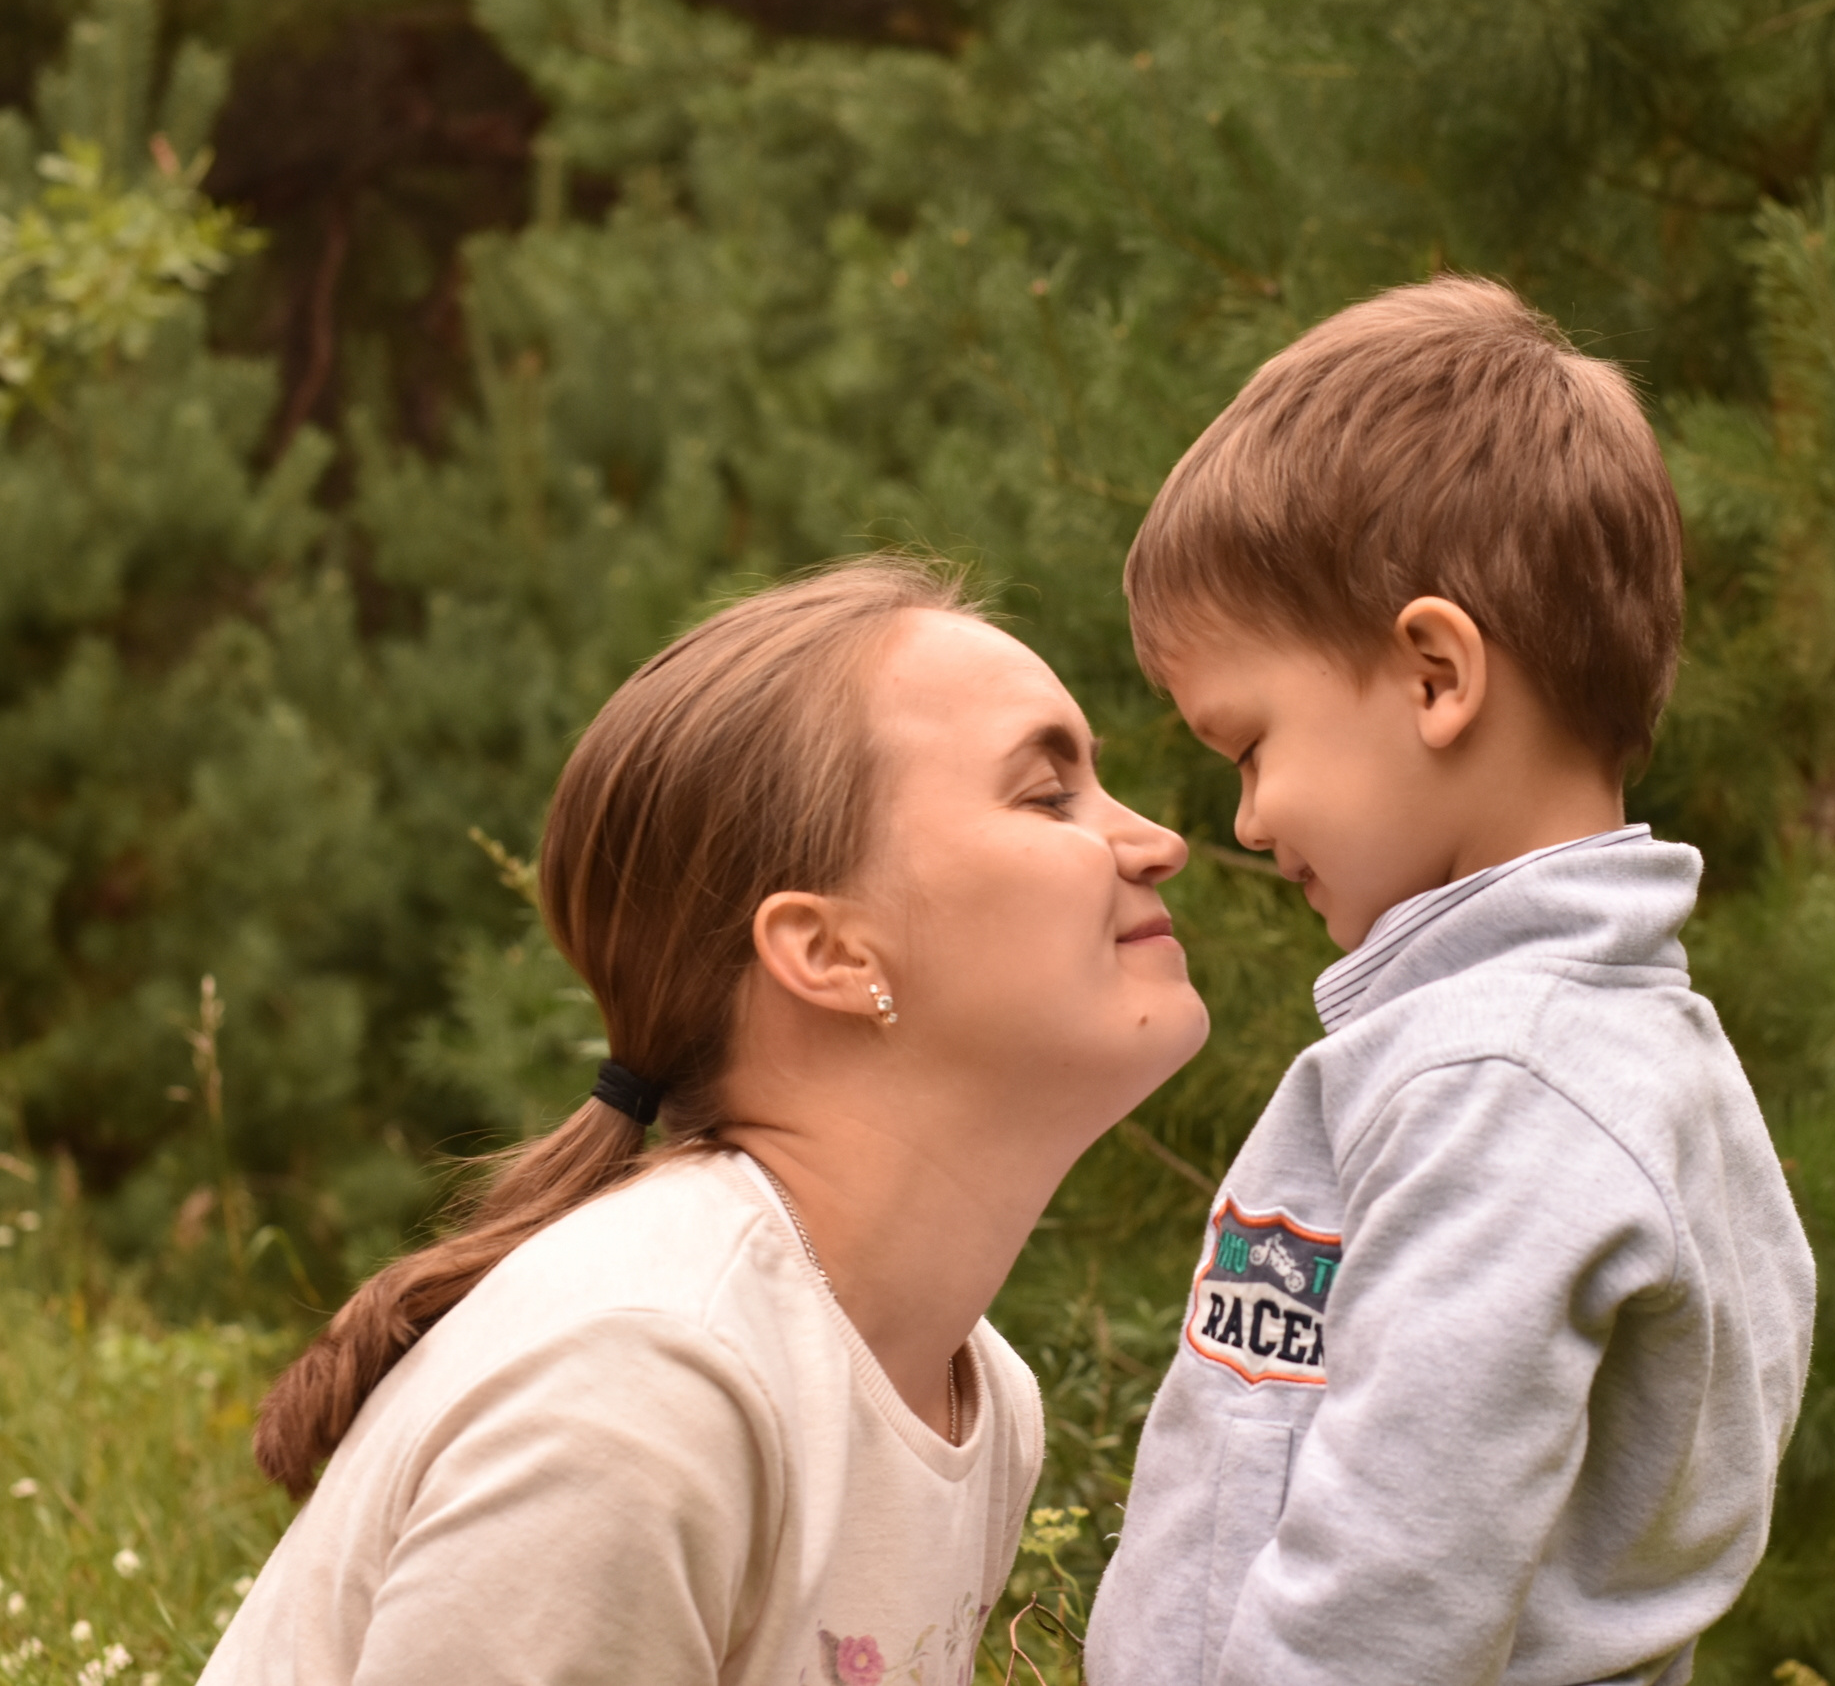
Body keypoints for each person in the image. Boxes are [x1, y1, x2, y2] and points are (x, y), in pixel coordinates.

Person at [205, 558, 1208, 1685]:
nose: (1157, 841)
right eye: (1047, 795)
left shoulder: (969, 1386)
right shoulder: (642, 1385)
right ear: (829, 953)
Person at [1084, 278, 1818, 1686]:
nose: (1245, 819)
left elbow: (1392, 1584)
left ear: (1434, 675)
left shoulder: (1505, 1082)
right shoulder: (1586, 1056)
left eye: (1250, 746)